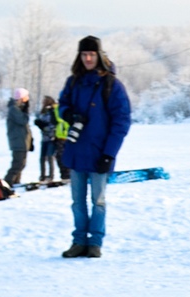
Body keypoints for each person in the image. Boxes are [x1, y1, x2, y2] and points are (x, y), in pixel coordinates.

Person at [58, 35, 131, 258]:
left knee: (98, 201)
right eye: (84, 54)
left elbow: (122, 121)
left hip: (100, 152)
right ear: (79, 56)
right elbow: (63, 104)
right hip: (76, 151)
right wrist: (68, 113)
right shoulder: (73, 82)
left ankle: (95, 242)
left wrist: (109, 153)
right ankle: (79, 241)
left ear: (99, 55)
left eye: (91, 54)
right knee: (77, 202)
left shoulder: (112, 85)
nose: (88, 58)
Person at [4, 88, 33, 185]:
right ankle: (7, 181)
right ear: (22, 98)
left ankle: (16, 181)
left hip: (22, 141)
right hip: (18, 141)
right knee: (18, 163)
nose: (28, 99)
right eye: (26, 96)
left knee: (21, 163)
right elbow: (23, 120)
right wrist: (26, 111)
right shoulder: (14, 109)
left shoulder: (18, 108)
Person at [34, 96, 58, 181]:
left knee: (50, 157)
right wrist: (39, 123)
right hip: (44, 138)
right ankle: (42, 175)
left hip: (51, 137)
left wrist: (44, 127)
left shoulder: (53, 111)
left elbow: (54, 125)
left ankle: (51, 176)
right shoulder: (43, 112)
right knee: (42, 158)